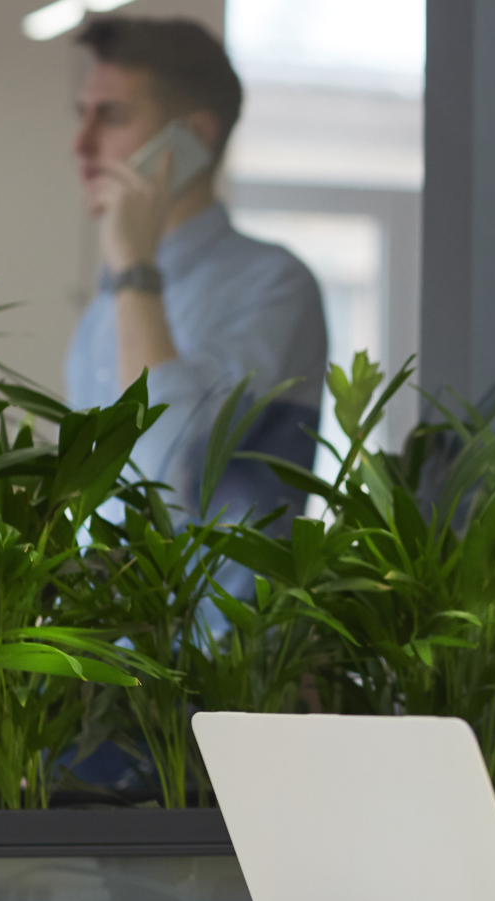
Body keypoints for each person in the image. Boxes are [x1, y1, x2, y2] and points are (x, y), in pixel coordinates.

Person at [64, 16, 326, 528]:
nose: (82, 144)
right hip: (99, 609)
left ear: (193, 138)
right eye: (82, 115)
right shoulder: (107, 305)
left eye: (111, 116)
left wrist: (136, 269)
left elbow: (157, 477)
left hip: (226, 610)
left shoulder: (274, 284)